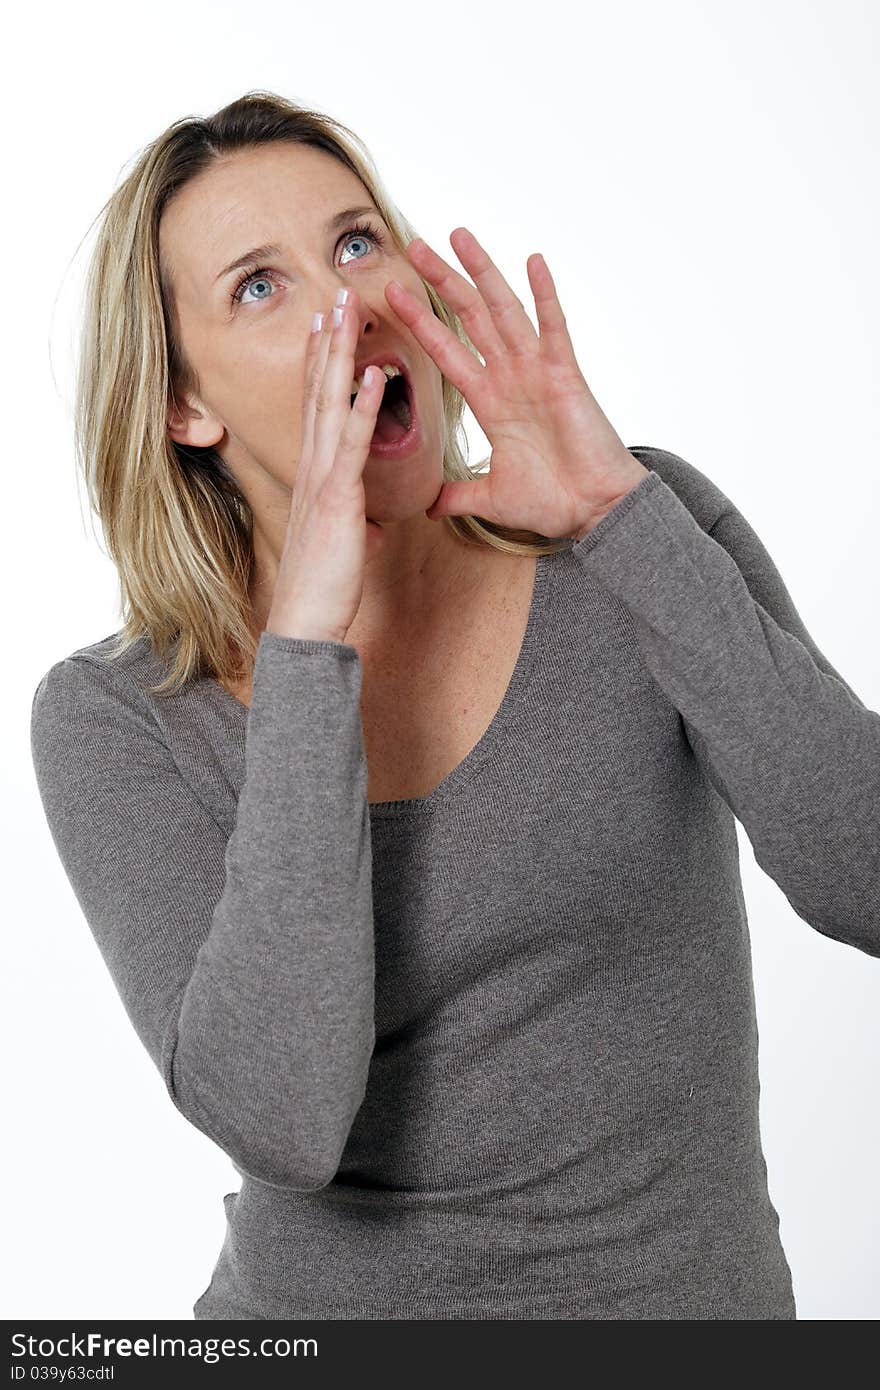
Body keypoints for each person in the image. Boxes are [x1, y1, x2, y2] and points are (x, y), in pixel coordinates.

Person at [30, 90, 879, 1321]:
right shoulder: (117, 716)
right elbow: (282, 1117)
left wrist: (618, 518)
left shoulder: (632, 538)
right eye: (258, 287)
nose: (348, 303)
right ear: (184, 406)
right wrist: (308, 647)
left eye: (357, 243)